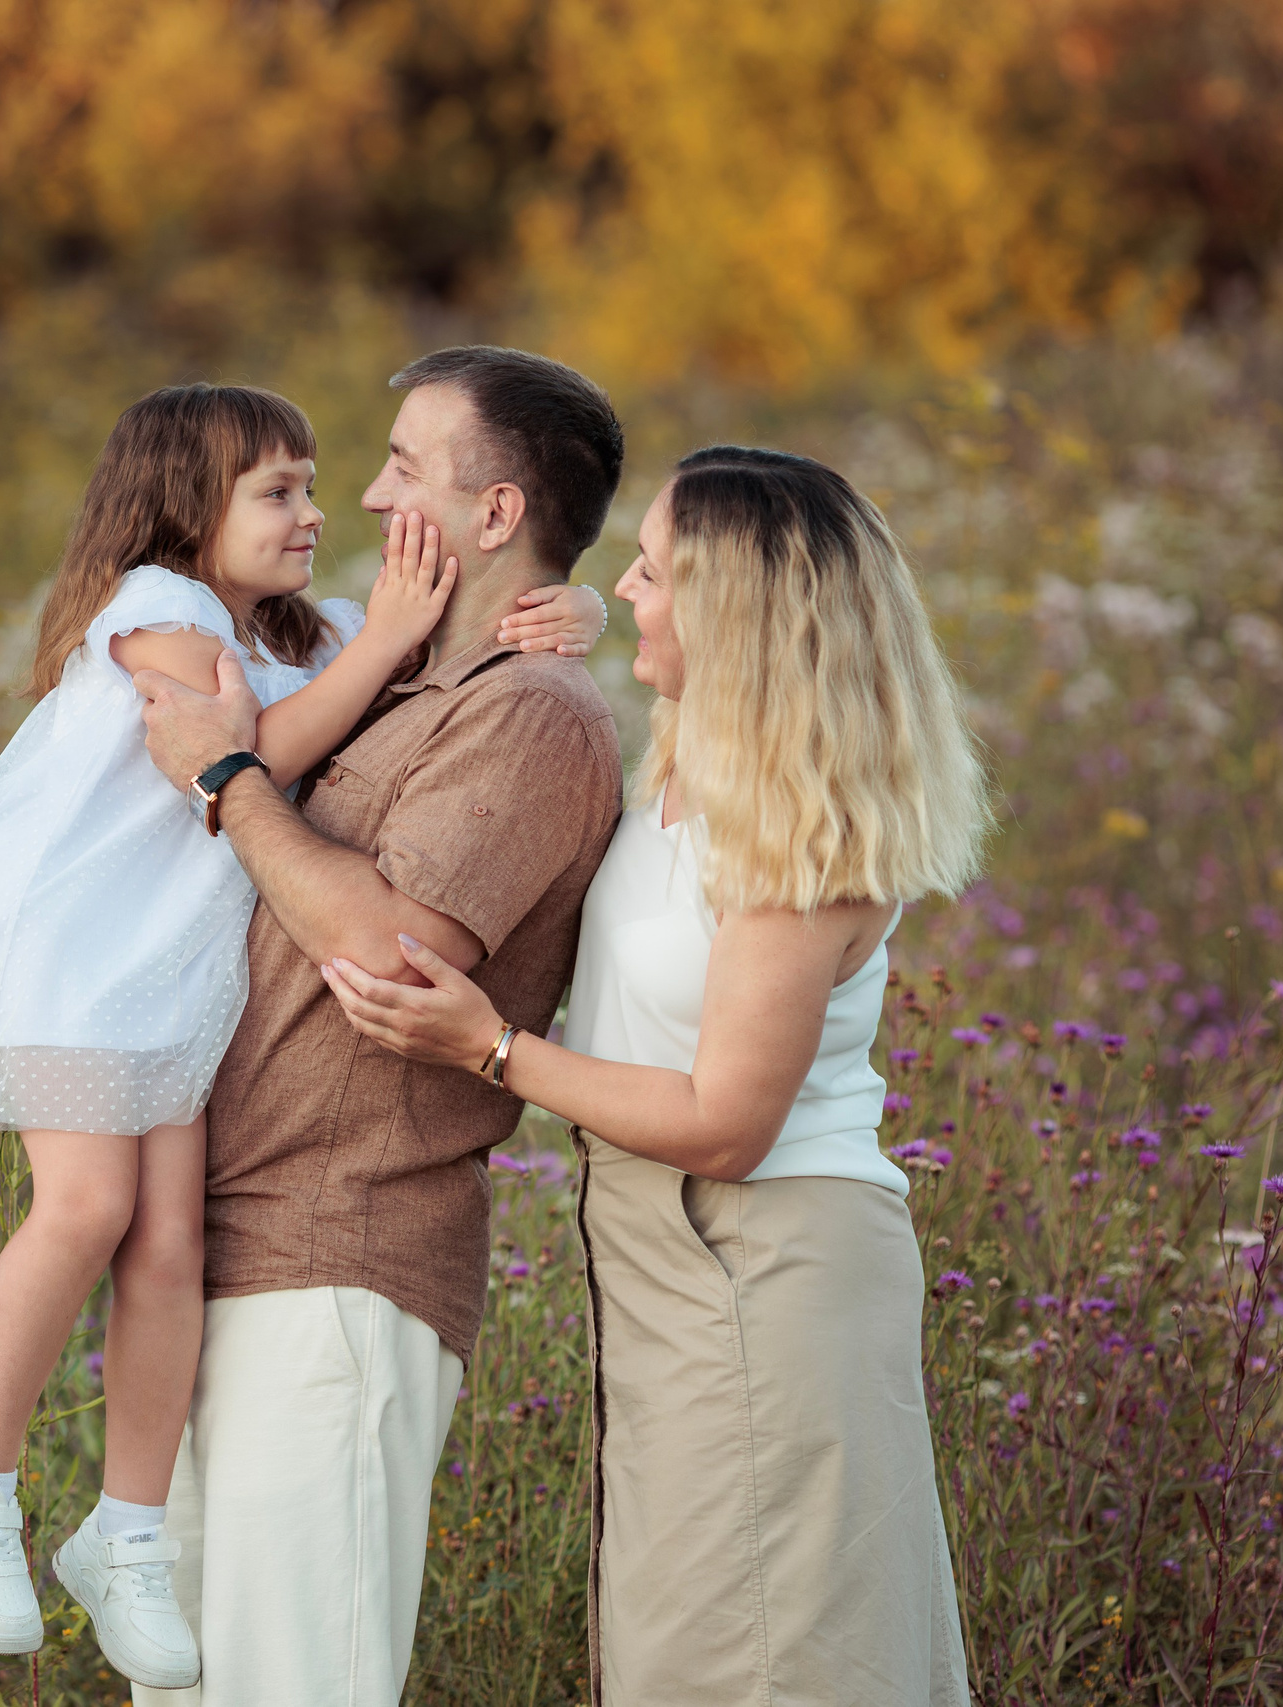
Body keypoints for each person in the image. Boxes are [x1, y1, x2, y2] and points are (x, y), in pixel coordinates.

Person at [0, 381, 607, 1689]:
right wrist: (385, 640)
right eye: (281, 490)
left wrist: (569, 606)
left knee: (166, 1244)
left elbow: (429, 663)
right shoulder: (161, 606)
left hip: (168, 982)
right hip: (80, 958)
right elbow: (242, 748)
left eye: (329, 480)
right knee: (86, 1209)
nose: (328, 509)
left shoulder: (306, 632)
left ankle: (126, 1534)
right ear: (185, 504)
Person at [318, 446, 989, 1704]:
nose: (621, 588)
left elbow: (726, 1125)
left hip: (761, 1249)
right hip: (664, 1249)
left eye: (653, 572)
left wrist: (488, 1048)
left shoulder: (802, 833)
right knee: (689, 1639)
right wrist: (578, 619)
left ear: (737, 617)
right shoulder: (687, 768)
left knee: (764, 1653)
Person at [127, 346, 628, 1706]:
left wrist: (229, 780)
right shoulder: (388, 677)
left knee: (294, 1682)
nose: (364, 493)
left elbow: (389, 954)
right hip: (215, 1255)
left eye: (404, 466)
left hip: (338, 1263)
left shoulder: (533, 713)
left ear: (496, 512)